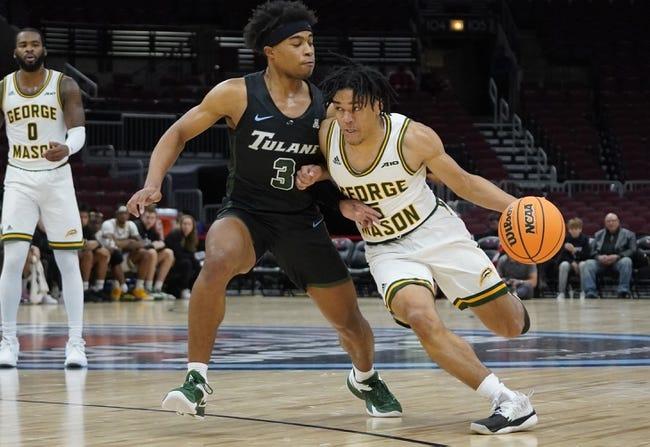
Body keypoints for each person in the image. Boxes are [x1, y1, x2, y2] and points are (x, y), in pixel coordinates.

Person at [127, 1, 400, 419]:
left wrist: (323, 174)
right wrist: (152, 182)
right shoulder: (237, 93)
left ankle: (364, 377)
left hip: (302, 220)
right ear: (270, 51)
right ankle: (195, 377)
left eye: (311, 42)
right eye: (297, 42)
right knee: (216, 261)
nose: (309, 50)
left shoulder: (327, 108)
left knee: (350, 322)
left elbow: (344, 165)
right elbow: (179, 131)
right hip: (247, 213)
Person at [296, 61, 537, 435]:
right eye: (339, 109)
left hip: (437, 232)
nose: (346, 118)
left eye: (354, 109)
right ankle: (508, 400)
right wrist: (327, 183)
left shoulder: (412, 138)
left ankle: (508, 300)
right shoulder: (328, 134)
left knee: (509, 327)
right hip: (387, 248)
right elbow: (330, 176)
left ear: (377, 105)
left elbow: (466, 183)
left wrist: (518, 207)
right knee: (421, 318)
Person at [0, 28, 87, 368]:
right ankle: (8, 341)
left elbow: (78, 127)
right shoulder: (5, 87)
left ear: (44, 48)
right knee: (12, 260)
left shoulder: (64, 84)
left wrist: (68, 146)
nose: (29, 48)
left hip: (57, 179)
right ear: (15, 51)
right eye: (23, 44)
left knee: (69, 263)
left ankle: (76, 343)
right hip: (19, 177)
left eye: (34, 43)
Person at [98, 205, 155, 301]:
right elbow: (113, 244)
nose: (124, 215)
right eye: (121, 213)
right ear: (116, 214)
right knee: (115, 254)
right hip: (110, 259)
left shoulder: (131, 224)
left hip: (126, 258)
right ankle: (113, 288)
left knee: (146, 253)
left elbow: (141, 243)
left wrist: (124, 243)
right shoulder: (108, 224)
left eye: (126, 213)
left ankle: (139, 288)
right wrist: (129, 242)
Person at [580, 213, 636, 298]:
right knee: (588, 264)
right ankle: (591, 292)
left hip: (618, 262)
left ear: (618, 222)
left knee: (626, 261)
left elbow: (632, 250)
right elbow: (591, 251)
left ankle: (623, 291)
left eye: (613, 221)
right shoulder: (598, 234)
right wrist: (598, 257)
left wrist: (617, 256)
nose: (611, 223)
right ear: (605, 223)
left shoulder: (629, 234)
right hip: (601, 262)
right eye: (608, 221)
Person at [135, 205, 175, 299]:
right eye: (147, 217)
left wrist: (160, 233)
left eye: (152, 218)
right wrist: (152, 245)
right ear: (142, 217)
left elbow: (162, 245)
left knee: (168, 253)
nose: (149, 220)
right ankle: (147, 288)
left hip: (147, 260)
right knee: (152, 252)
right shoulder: (136, 225)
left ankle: (157, 288)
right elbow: (138, 246)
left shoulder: (153, 230)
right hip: (135, 258)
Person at [164, 214, 201, 300]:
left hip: (181, 263)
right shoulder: (175, 234)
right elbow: (179, 254)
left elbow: (190, 254)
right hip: (171, 263)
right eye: (184, 224)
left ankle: (194, 289)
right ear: (180, 225)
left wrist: (196, 263)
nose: (186, 226)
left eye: (189, 224)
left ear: (193, 226)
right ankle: (183, 289)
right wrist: (192, 258)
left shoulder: (191, 238)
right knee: (187, 263)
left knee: (198, 266)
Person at [79, 205, 111, 301]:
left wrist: (90, 245)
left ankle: (98, 289)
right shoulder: (72, 228)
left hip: (83, 258)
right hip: (71, 257)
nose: (82, 220)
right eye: (80, 217)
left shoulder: (87, 229)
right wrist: (86, 245)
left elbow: (96, 243)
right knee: (88, 253)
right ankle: (84, 290)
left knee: (103, 255)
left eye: (85, 217)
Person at [556, 217, 591, 300]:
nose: (574, 231)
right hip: (570, 263)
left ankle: (583, 291)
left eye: (576, 228)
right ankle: (561, 292)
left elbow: (587, 255)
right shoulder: (566, 239)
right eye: (571, 229)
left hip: (582, 262)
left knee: (583, 265)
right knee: (564, 265)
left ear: (580, 229)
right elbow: (562, 256)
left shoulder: (585, 239)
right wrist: (572, 262)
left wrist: (574, 251)